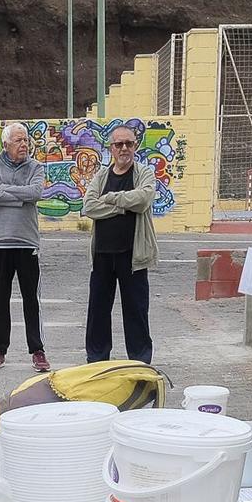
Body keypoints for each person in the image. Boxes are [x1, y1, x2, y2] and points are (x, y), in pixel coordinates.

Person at [82, 123, 158, 363]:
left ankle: (140, 361)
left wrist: (112, 199)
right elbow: (89, 206)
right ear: (111, 148)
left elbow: (143, 199)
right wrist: (125, 207)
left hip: (133, 256)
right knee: (98, 313)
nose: (124, 148)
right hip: (103, 255)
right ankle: (96, 361)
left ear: (135, 146)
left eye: (129, 143)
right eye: (119, 144)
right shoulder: (101, 175)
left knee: (136, 312)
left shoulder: (144, 173)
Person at [0, 122, 48, 373]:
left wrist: (4, 190)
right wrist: (20, 197)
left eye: (26, 140)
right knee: (0, 300)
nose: (24, 145)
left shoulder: (36, 167)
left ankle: (38, 350)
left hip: (27, 242)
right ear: (6, 144)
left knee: (32, 299)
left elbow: (36, 192)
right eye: (18, 140)